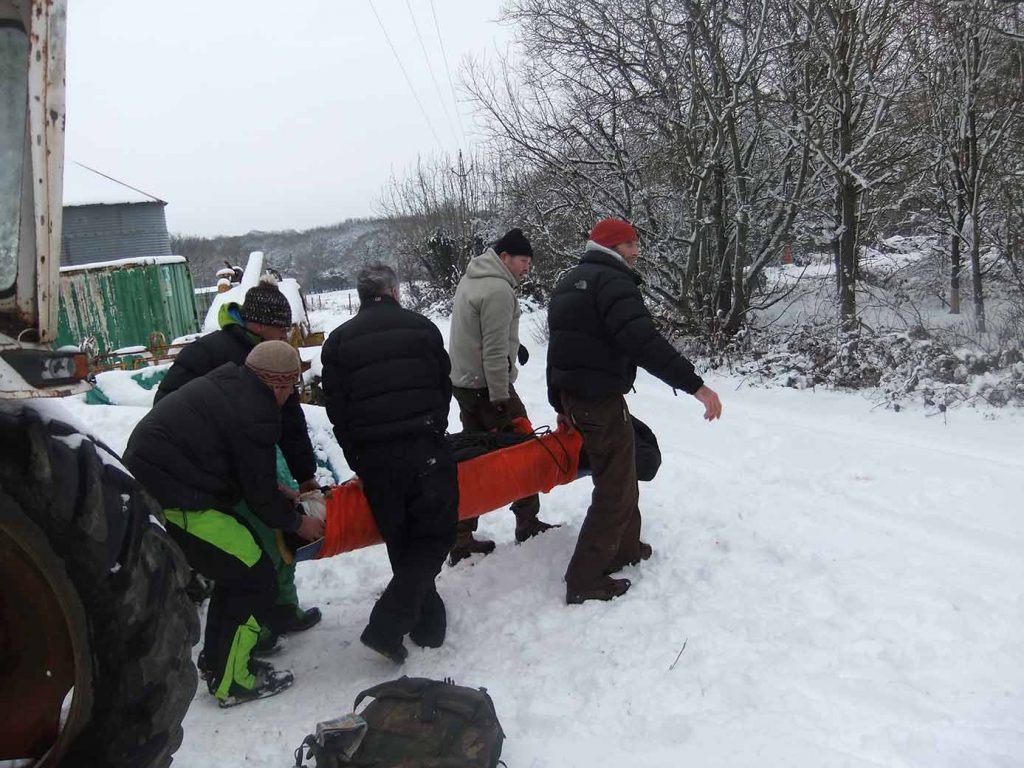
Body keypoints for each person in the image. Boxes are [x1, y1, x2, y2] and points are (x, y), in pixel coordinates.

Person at [123, 341, 325, 707]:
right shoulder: (257, 410)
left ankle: (218, 663)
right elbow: (260, 500)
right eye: (292, 386)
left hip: (165, 479)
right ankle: (233, 681)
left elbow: (245, 468)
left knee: (239, 570)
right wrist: (298, 524)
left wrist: (278, 490)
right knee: (254, 576)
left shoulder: (235, 383)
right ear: (278, 385)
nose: (292, 394)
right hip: (175, 497)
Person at [546, 218, 723, 605]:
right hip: (599, 400)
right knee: (615, 485)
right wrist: (695, 385)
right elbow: (643, 341)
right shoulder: (613, 282)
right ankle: (585, 578)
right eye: (631, 244)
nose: (637, 251)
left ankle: (624, 549)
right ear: (614, 246)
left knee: (622, 471)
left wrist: (559, 402)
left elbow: (558, 349)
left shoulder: (568, 280)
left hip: (579, 398)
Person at [155, 276, 322, 636]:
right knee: (258, 543)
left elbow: (291, 419)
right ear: (258, 323)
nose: (285, 335)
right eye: (280, 328)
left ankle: (282, 609)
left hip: (263, 453)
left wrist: (305, 473)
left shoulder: (276, 359)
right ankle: (255, 628)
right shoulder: (209, 353)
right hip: (221, 466)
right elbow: (166, 406)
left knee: (279, 538)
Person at [320, 264, 458, 663]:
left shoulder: (339, 342)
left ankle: (427, 623)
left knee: (401, 537)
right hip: (424, 448)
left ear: (362, 296)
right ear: (395, 291)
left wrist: (357, 455)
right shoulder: (422, 328)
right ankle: (389, 623)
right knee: (434, 535)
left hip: (375, 458)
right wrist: (434, 428)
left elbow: (337, 409)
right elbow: (442, 386)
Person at [447, 228, 558, 565]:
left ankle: (460, 539)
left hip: (465, 383)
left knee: (472, 459)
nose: (527, 267)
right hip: (488, 388)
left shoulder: (474, 277)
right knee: (523, 449)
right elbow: (493, 349)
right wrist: (500, 397)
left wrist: (515, 346)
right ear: (505, 257)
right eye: (523, 260)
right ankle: (528, 523)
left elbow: (483, 332)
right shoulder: (498, 290)